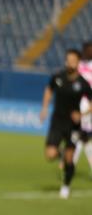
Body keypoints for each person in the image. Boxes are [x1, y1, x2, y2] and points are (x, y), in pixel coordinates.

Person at [39, 48, 92, 199]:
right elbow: (49, 90)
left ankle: (66, 186)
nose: (69, 63)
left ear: (78, 62)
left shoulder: (82, 83)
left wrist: (82, 114)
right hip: (57, 122)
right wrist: (44, 108)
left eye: (73, 61)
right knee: (50, 154)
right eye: (68, 60)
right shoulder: (58, 77)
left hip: (73, 126)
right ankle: (61, 155)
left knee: (70, 160)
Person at [73, 41, 92, 174]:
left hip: (88, 102)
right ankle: (70, 164)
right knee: (83, 136)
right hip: (77, 102)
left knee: (82, 135)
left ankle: (70, 164)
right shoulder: (78, 65)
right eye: (87, 49)